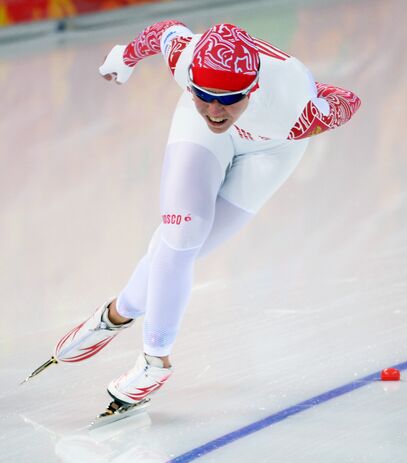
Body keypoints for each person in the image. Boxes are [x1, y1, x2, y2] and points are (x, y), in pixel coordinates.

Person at [42, 21, 361, 416]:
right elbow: (163, 31)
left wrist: (317, 92)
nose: (214, 110)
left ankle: (116, 314)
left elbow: (349, 100)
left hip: (272, 149)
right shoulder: (184, 56)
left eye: (229, 99)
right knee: (180, 235)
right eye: (203, 94)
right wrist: (125, 57)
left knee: (182, 250)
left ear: (254, 88)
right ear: (190, 79)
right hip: (209, 139)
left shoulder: (298, 112)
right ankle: (154, 363)